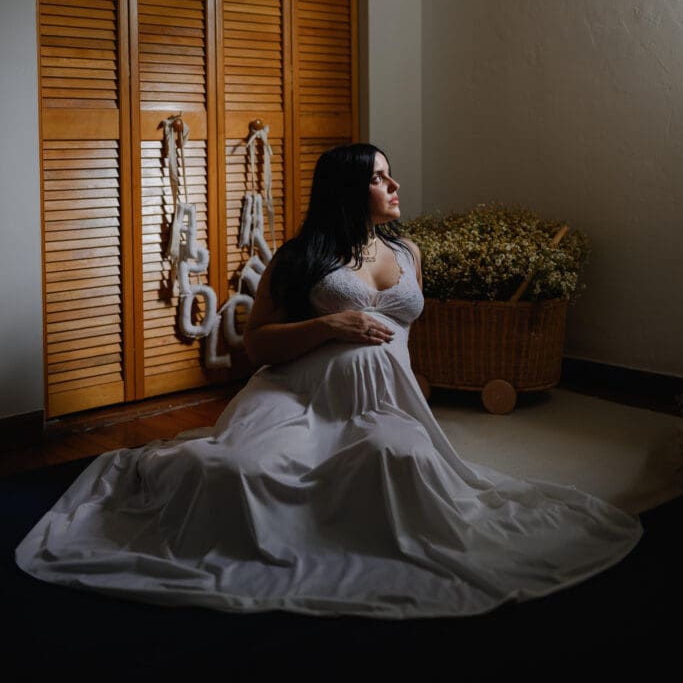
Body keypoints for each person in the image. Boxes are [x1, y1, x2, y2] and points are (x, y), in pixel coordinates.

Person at [16, 143, 642, 618]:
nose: (394, 184)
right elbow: (254, 344)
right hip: (296, 396)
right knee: (240, 473)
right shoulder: (299, 257)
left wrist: (406, 383)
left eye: (389, 174)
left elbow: (402, 332)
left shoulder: (410, 252)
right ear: (348, 190)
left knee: (399, 464)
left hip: (380, 401)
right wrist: (330, 324)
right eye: (378, 178)